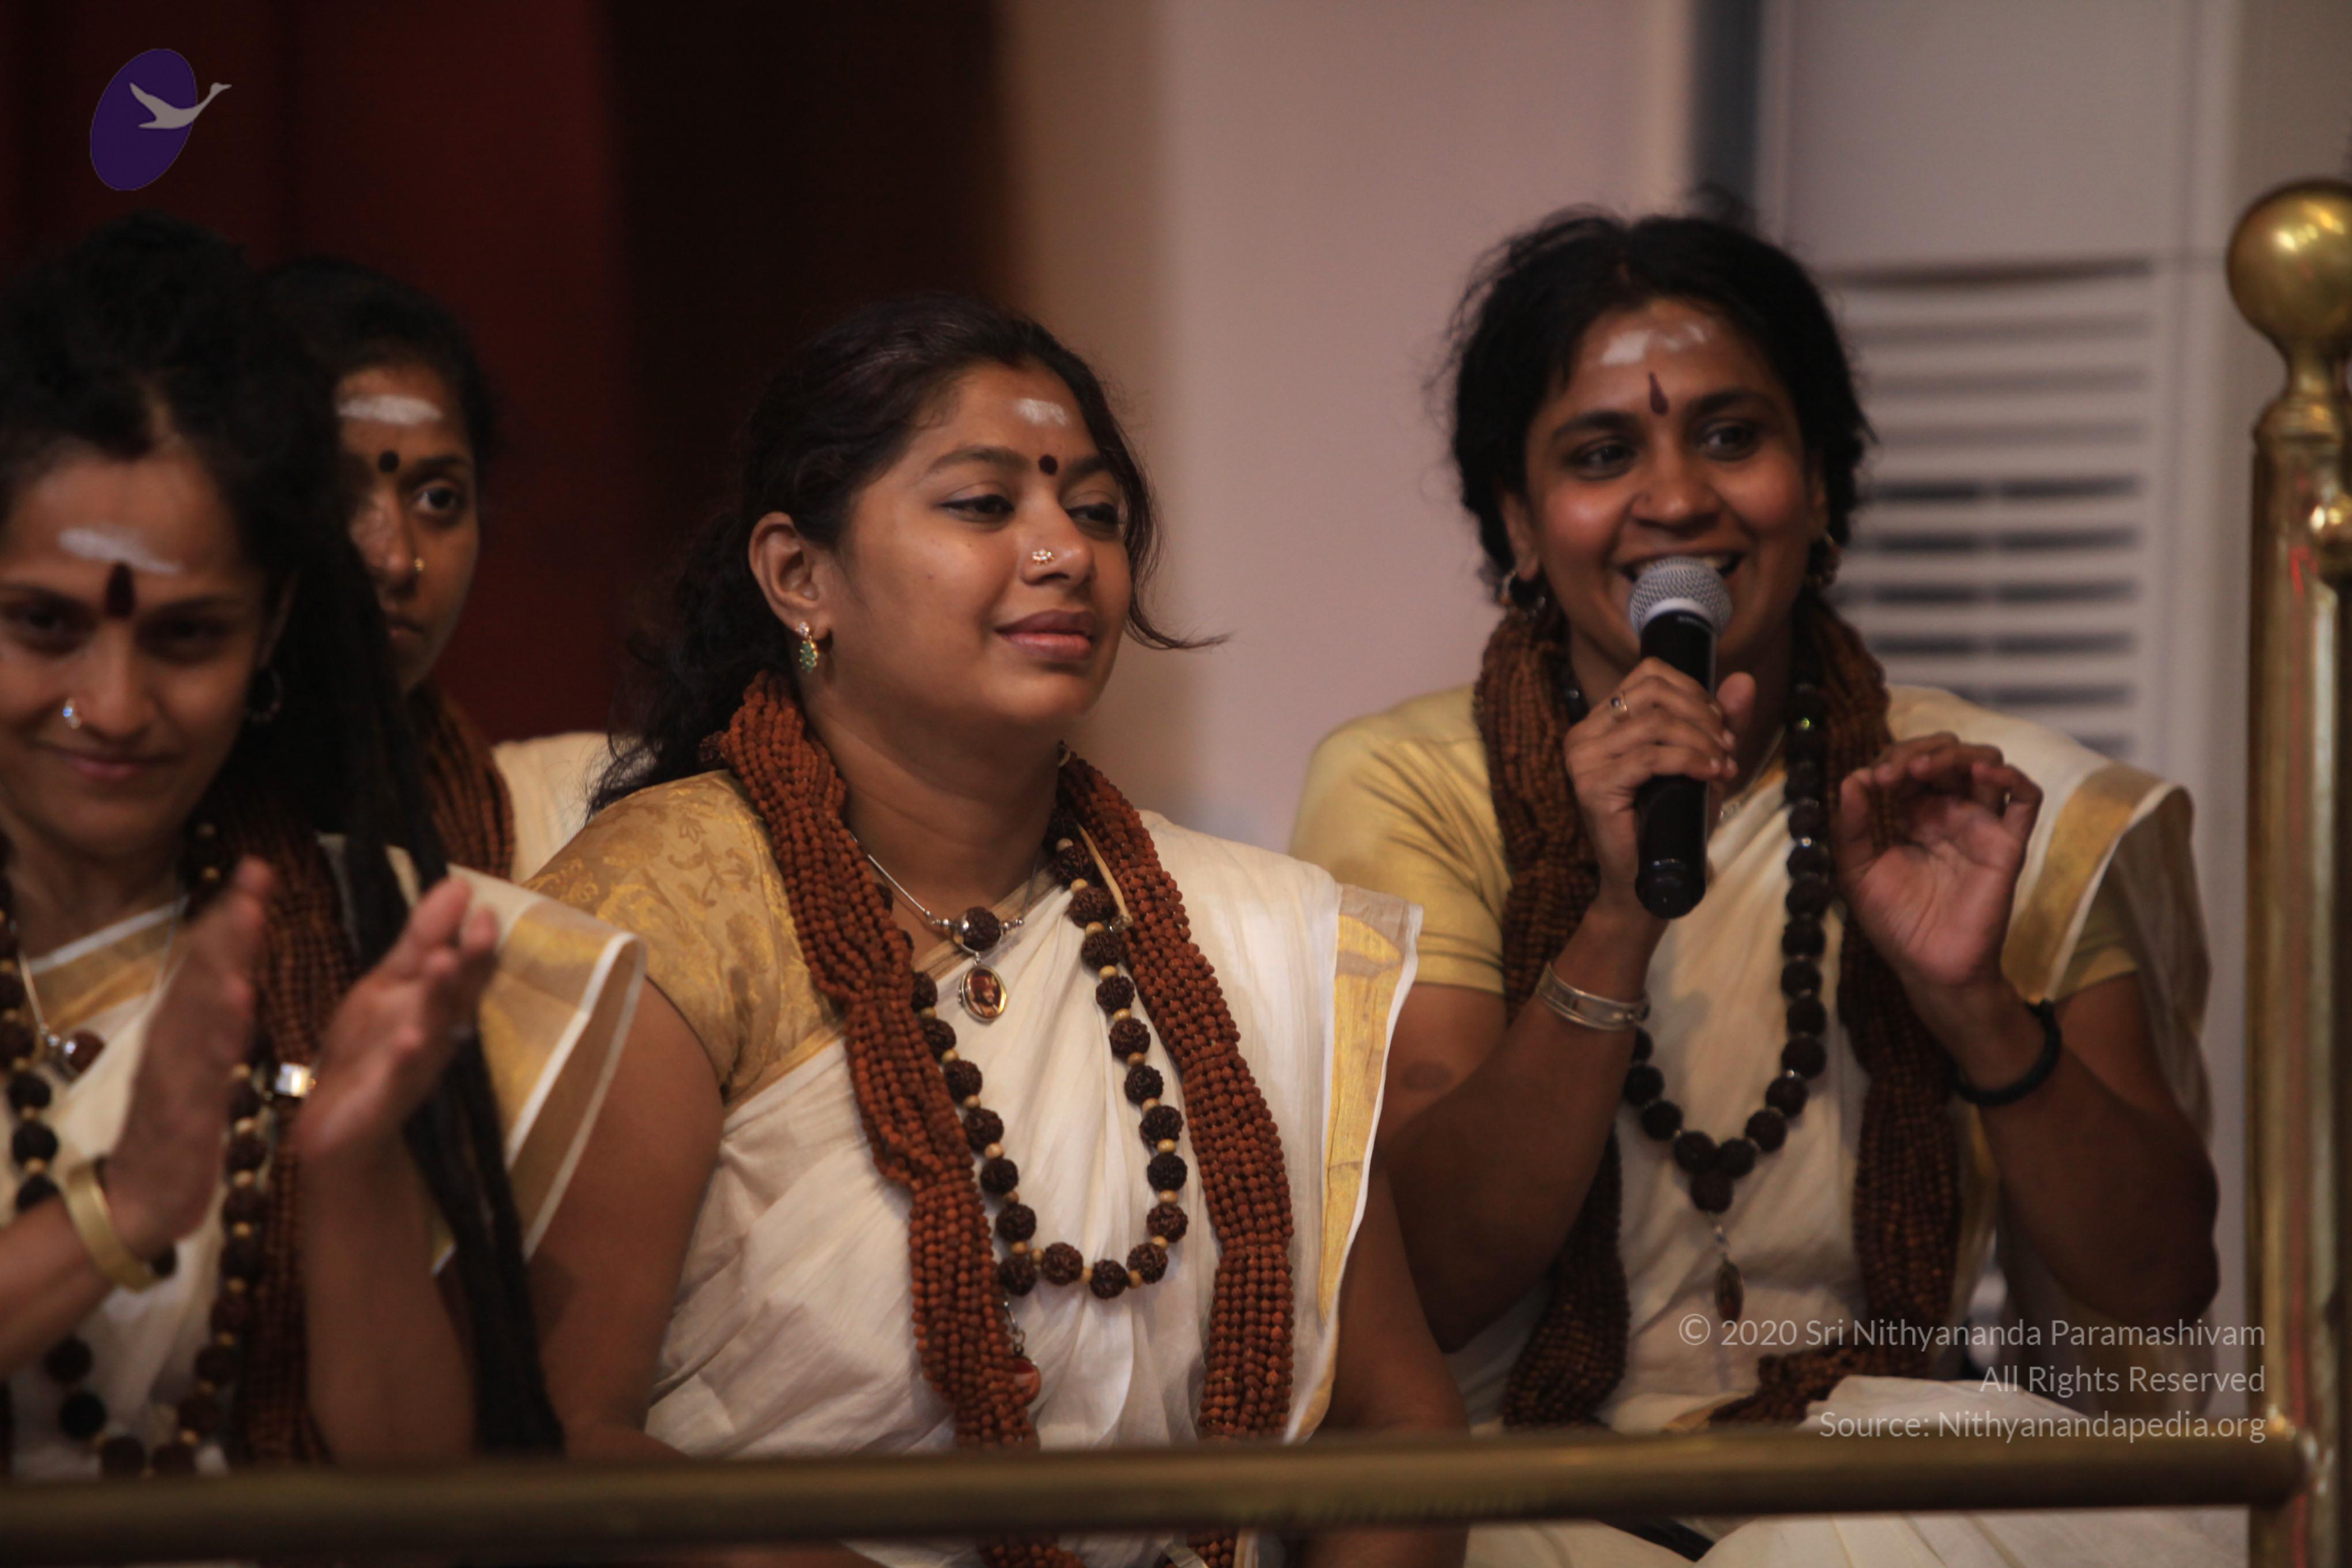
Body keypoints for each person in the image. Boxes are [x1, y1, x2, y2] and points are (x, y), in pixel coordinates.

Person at [1290, 211, 2230, 1566]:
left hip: (1875, 1490)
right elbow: (1426, 1277)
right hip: (1525, 1499)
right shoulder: (1410, 787)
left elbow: (2157, 1284)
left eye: (1732, 436)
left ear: (1823, 482)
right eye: (1600, 453)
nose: (1675, 497)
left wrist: (1972, 1005)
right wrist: (1616, 916)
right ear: (1517, 518)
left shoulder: (1996, 803)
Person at [527, 295, 1465, 1568]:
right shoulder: (667, 902)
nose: (1065, 551)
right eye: (984, 504)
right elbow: (570, 1447)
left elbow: (1397, 1430)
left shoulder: (1248, 935)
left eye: (1098, 511)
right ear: (800, 577)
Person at [0, 214, 639, 1479]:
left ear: (274, 624)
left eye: (187, 636)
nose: (113, 707)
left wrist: (346, 1169)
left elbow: (412, 1505)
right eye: (46, 625)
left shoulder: (371, 942)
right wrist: (121, 1210)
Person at [265, 258, 606, 880]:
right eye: (336, 497)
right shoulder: (122, 827)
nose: (396, 559)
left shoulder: (573, 819)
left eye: (438, 498)